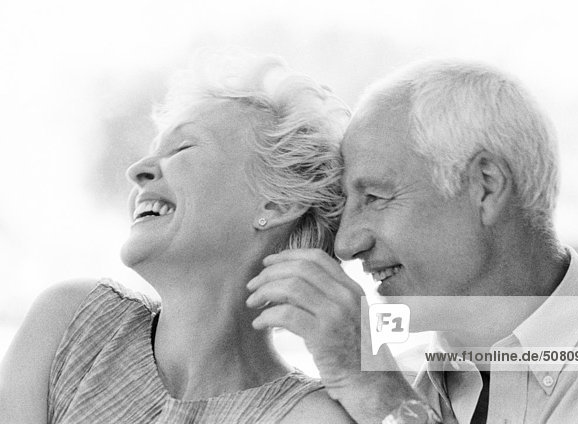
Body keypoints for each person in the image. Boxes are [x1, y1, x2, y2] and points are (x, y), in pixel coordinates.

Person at [0, 53, 356, 423]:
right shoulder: (72, 324)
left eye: (182, 148)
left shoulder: (310, 416)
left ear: (278, 202)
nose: (137, 170)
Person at [246, 60, 578, 423]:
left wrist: (383, 397)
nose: (346, 245)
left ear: (486, 186)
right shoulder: (398, 374)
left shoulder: (380, 386)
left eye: (374, 197)